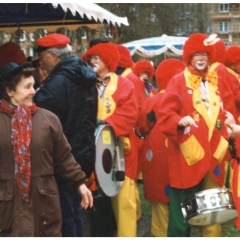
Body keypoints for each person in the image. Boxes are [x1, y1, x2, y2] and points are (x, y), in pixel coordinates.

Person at [0, 62, 93, 237]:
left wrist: (80, 184)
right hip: (7, 209)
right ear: (9, 91)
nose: (33, 91)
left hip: (43, 207)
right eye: (27, 87)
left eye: (33, 86)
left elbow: (64, 158)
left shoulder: (48, 120)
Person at [157, 33, 235, 237]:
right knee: (181, 216)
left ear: (210, 57)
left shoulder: (217, 81)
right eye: (196, 54)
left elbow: (230, 110)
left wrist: (229, 129)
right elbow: (165, 114)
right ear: (189, 57)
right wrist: (178, 121)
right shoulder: (177, 81)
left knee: (212, 215)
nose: (201, 58)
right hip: (187, 156)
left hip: (215, 157)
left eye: (204, 54)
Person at [33, 33, 98, 237]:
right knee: (75, 210)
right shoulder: (85, 75)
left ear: (53, 55)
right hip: (84, 154)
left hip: (63, 160)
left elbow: (37, 114)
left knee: (64, 214)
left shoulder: (57, 84)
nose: (40, 63)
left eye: (41, 57)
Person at [82, 41, 138, 237]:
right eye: (89, 58)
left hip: (121, 153)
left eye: (95, 58)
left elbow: (130, 114)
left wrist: (103, 124)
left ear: (107, 60)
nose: (91, 61)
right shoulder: (86, 84)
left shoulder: (125, 84)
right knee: (98, 204)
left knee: (124, 203)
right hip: (94, 152)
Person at [139, 58, 186, 237]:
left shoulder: (152, 101)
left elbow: (143, 126)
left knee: (159, 199)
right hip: (179, 151)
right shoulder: (185, 100)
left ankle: (159, 233)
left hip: (155, 154)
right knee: (179, 196)